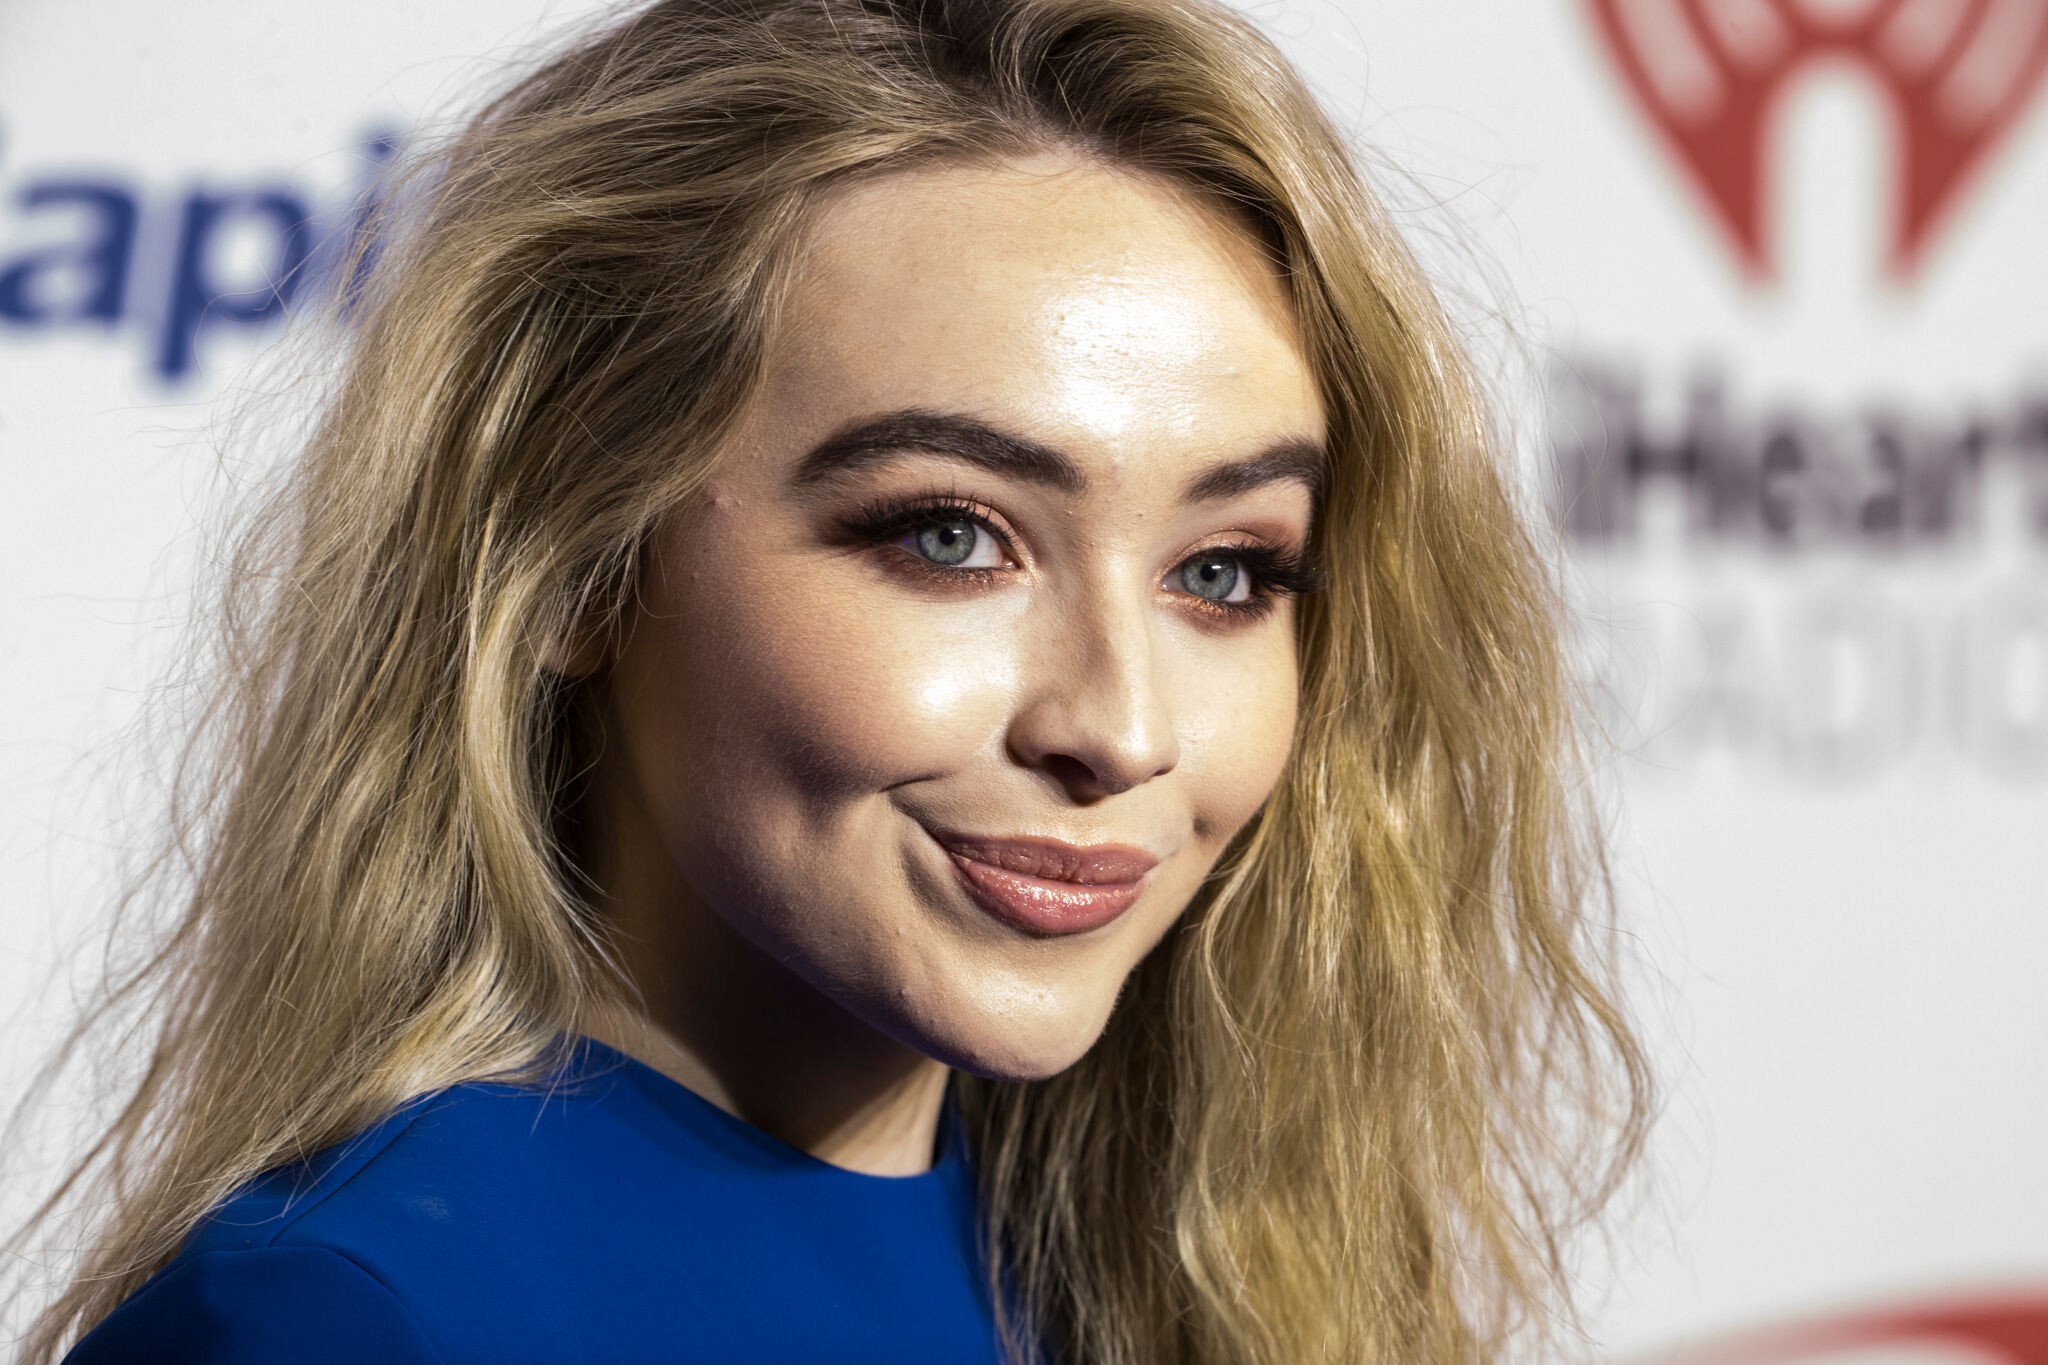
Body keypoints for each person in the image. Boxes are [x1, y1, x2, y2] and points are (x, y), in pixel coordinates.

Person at [15, 0, 1649, 1359]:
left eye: (1224, 571)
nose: (1122, 726)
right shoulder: (350, 1321)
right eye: (951, 536)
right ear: (571, 554)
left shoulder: (1186, 1283)